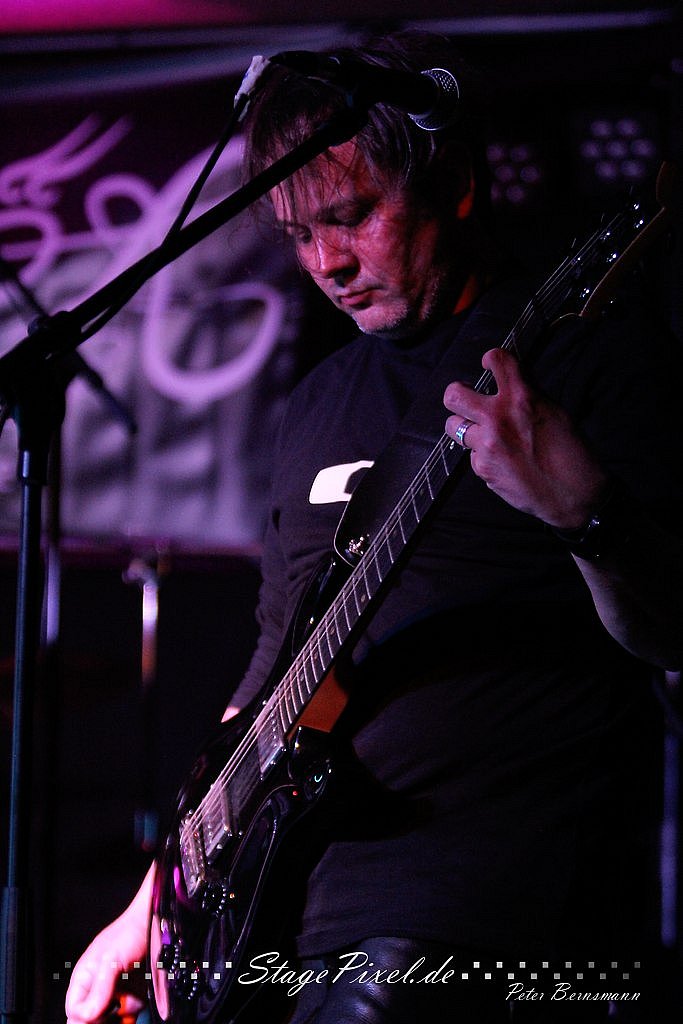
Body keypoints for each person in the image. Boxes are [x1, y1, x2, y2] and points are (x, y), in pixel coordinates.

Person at [65, 30, 683, 1024]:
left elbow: (673, 629)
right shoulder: (318, 402)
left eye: (351, 217)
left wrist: (582, 514)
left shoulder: (575, 353)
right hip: (297, 918)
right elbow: (272, 669)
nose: (326, 263)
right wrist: (152, 902)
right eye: (297, 235)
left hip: (491, 910)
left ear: (453, 184)